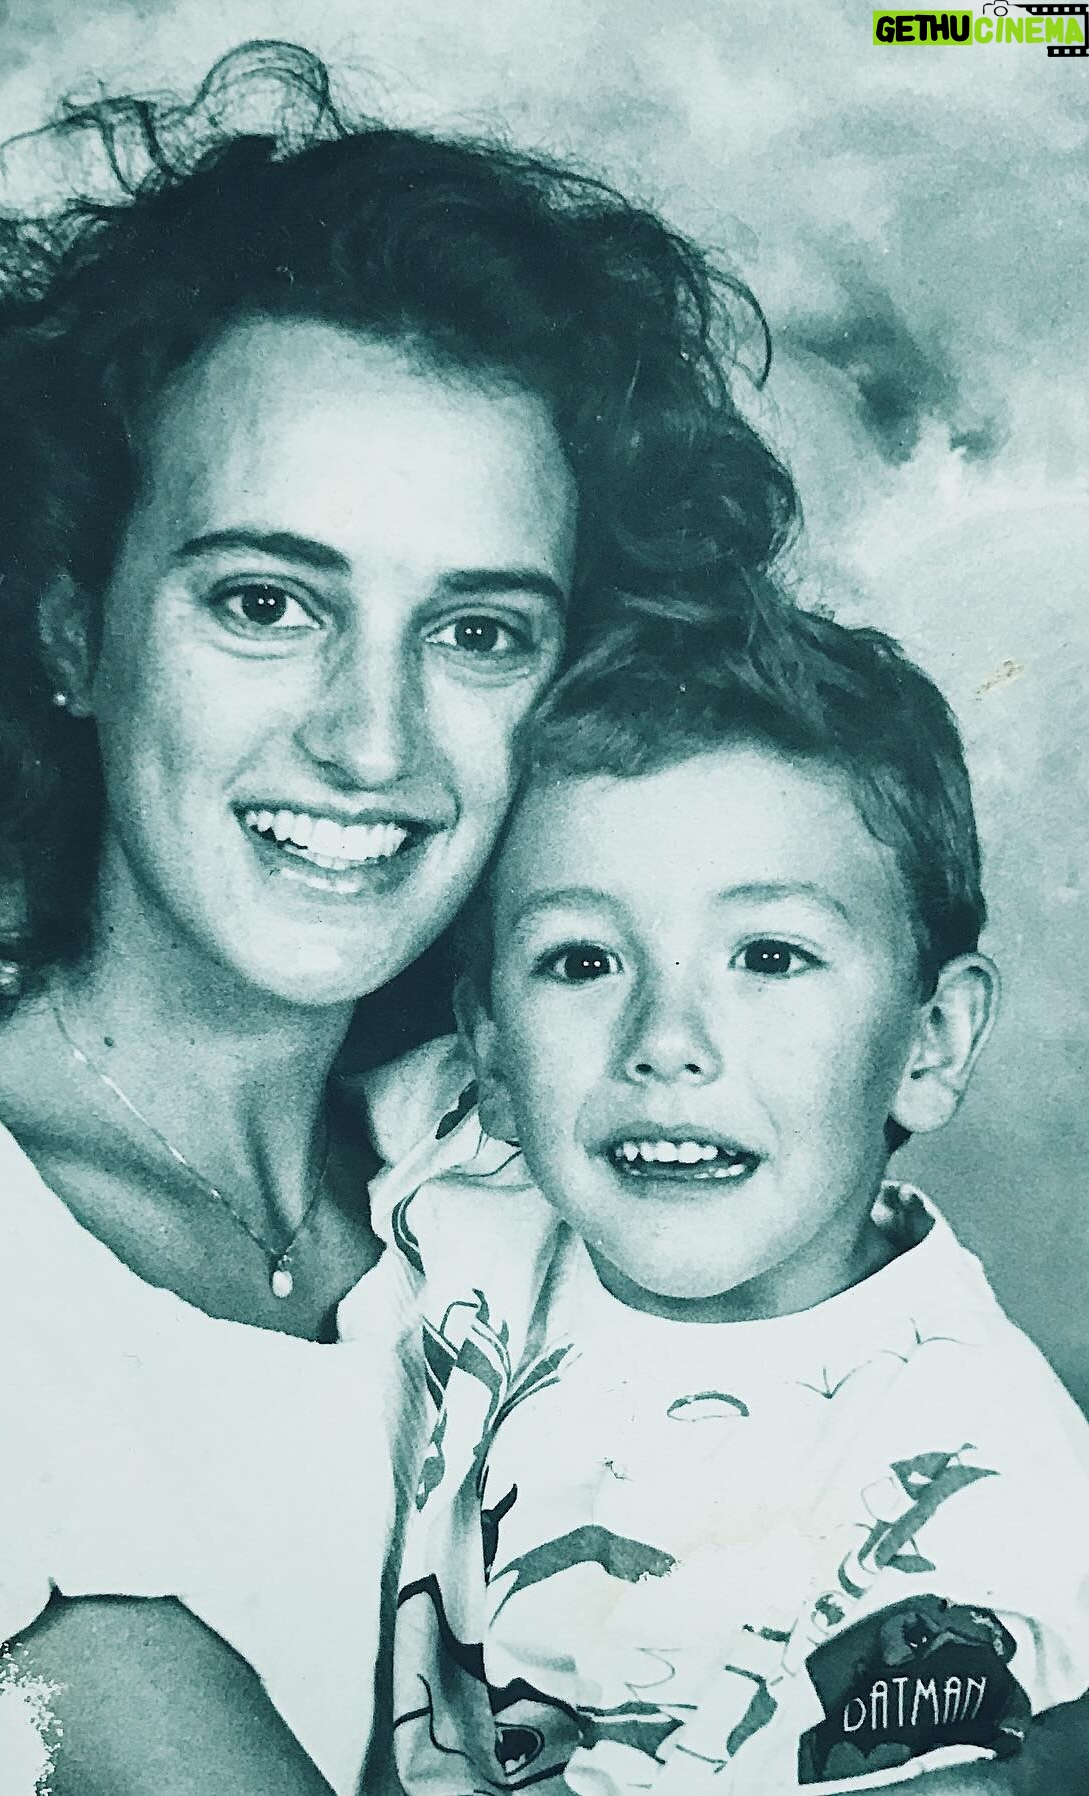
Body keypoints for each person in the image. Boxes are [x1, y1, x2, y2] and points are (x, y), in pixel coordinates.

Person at [0, 36, 1082, 1796]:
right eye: (266, 602)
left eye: (477, 632)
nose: (372, 740)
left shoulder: (485, 1168)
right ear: (67, 627)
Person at [352, 590, 1089, 1791]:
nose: (665, 1041)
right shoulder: (467, 1174)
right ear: (490, 1048)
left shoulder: (969, 1481)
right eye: (583, 960)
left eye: (770, 956)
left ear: (933, 1040)